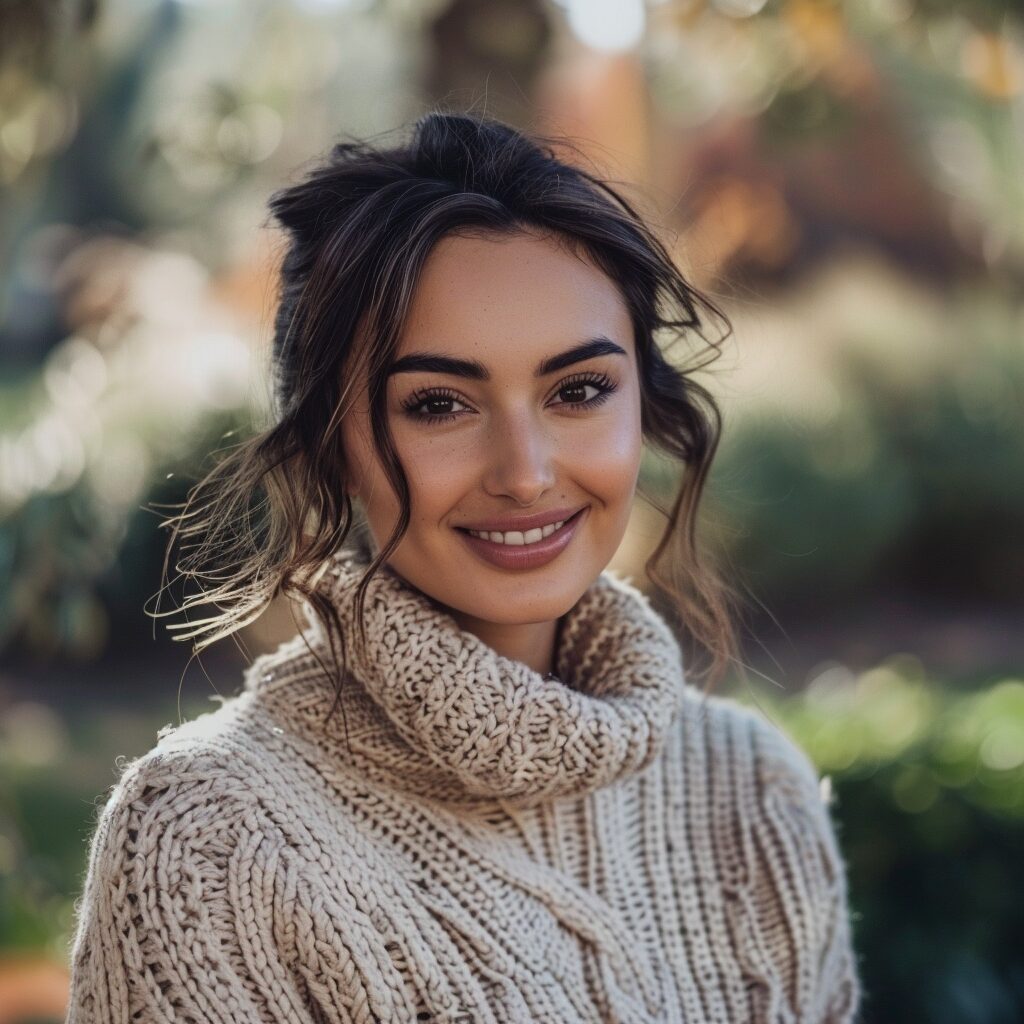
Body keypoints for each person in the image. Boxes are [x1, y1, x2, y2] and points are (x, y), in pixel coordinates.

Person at [64, 111, 862, 1023]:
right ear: (332, 447)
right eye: (439, 404)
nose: (524, 473)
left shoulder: (755, 792)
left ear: (645, 405)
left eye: (579, 390)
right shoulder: (208, 843)